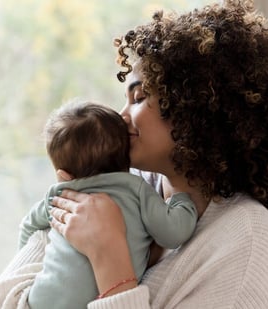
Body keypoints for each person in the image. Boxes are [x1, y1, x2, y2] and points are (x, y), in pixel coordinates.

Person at [0, 1, 268, 308]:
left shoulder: (248, 236)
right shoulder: (116, 182)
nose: (121, 117)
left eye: (139, 97)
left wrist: (110, 259)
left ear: (198, 108)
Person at [19, 100, 197, 309]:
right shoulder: (135, 189)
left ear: (63, 176)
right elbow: (174, 234)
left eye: (138, 97)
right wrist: (182, 198)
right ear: (126, 158)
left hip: (40, 299)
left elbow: (28, 227)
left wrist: (32, 268)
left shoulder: (59, 194)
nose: (124, 113)